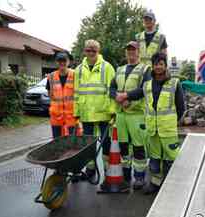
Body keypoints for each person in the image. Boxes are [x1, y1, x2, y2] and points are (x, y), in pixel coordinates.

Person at [109, 41, 151, 190]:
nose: (131, 52)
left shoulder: (145, 69)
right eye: (128, 50)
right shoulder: (119, 69)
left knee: (139, 147)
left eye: (133, 50)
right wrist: (117, 97)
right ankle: (126, 176)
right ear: (126, 53)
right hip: (121, 115)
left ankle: (139, 177)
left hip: (136, 115)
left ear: (139, 52)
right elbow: (112, 88)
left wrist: (126, 96)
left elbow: (145, 89)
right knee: (123, 147)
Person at [142, 52, 185, 194]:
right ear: (152, 66)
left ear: (165, 66)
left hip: (168, 130)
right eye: (155, 64)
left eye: (161, 64)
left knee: (171, 159)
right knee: (154, 159)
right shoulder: (147, 84)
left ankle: (174, 186)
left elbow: (181, 107)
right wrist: (125, 96)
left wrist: (173, 122)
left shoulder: (174, 83)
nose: (158, 67)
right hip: (153, 130)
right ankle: (155, 184)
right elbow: (139, 95)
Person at [74, 39, 116, 178]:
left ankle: (107, 170)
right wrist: (76, 113)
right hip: (86, 113)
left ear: (98, 51)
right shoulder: (79, 70)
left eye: (94, 50)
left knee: (106, 143)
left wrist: (113, 111)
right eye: (88, 50)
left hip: (104, 113)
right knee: (88, 145)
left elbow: (112, 90)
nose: (91, 52)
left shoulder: (107, 67)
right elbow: (76, 92)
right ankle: (90, 170)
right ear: (84, 51)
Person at [46, 51, 77, 138]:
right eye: (60, 61)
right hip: (56, 116)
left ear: (68, 61)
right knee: (57, 142)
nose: (62, 63)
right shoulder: (51, 77)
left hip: (71, 116)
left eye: (64, 60)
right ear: (56, 62)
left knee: (72, 142)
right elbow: (50, 94)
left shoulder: (75, 75)